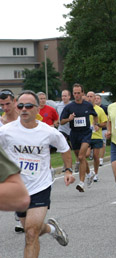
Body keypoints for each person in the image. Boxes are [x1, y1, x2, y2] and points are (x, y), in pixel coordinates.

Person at [0, 90, 75, 257]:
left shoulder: (48, 132)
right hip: (18, 188)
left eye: (28, 106)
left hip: (40, 185)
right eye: (20, 106)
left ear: (37, 109)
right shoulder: (6, 131)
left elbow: (64, 148)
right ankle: (51, 229)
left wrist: (68, 170)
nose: (24, 109)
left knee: (31, 233)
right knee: (32, 228)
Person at [60, 83, 99, 192]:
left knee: (82, 157)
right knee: (79, 157)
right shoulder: (69, 107)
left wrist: (95, 124)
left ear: (82, 93)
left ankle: (81, 183)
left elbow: (95, 115)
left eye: (78, 93)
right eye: (75, 93)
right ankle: (89, 173)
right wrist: (69, 119)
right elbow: (61, 121)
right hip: (74, 134)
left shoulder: (88, 105)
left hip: (86, 133)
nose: (76, 95)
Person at [0, 89, 27, 232]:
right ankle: (20, 214)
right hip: (9, 164)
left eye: (8, 104)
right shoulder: (1, 123)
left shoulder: (24, 117)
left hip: (27, 160)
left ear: (15, 101)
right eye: (2, 105)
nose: (5, 108)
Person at [0, 146, 30, 212]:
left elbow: (20, 196)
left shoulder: (49, 135)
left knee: (33, 222)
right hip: (21, 176)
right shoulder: (5, 136)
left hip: (40, 182)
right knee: (25, 220)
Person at [86, 92, 108, 182]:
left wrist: (98, 125)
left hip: (97, 136)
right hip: (86, 136)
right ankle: (88, 173)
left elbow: (105, 122)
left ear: (95, 98)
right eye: (88, 96)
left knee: (95, 156)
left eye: (91, 96)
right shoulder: (84, 108)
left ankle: (95, 173)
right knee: (85, 155)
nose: (89, 98)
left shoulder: (99, 110)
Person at [94, 94, 108, 166]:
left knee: (103, 143)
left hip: (103, 128)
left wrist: (108, 130)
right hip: (94, 130)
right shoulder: (91, 108)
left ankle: (101, 159)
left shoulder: (104, 108)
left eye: (98, 98)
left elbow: (107, 119)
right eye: (95, 98)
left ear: (100, 100)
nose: (96, 99)